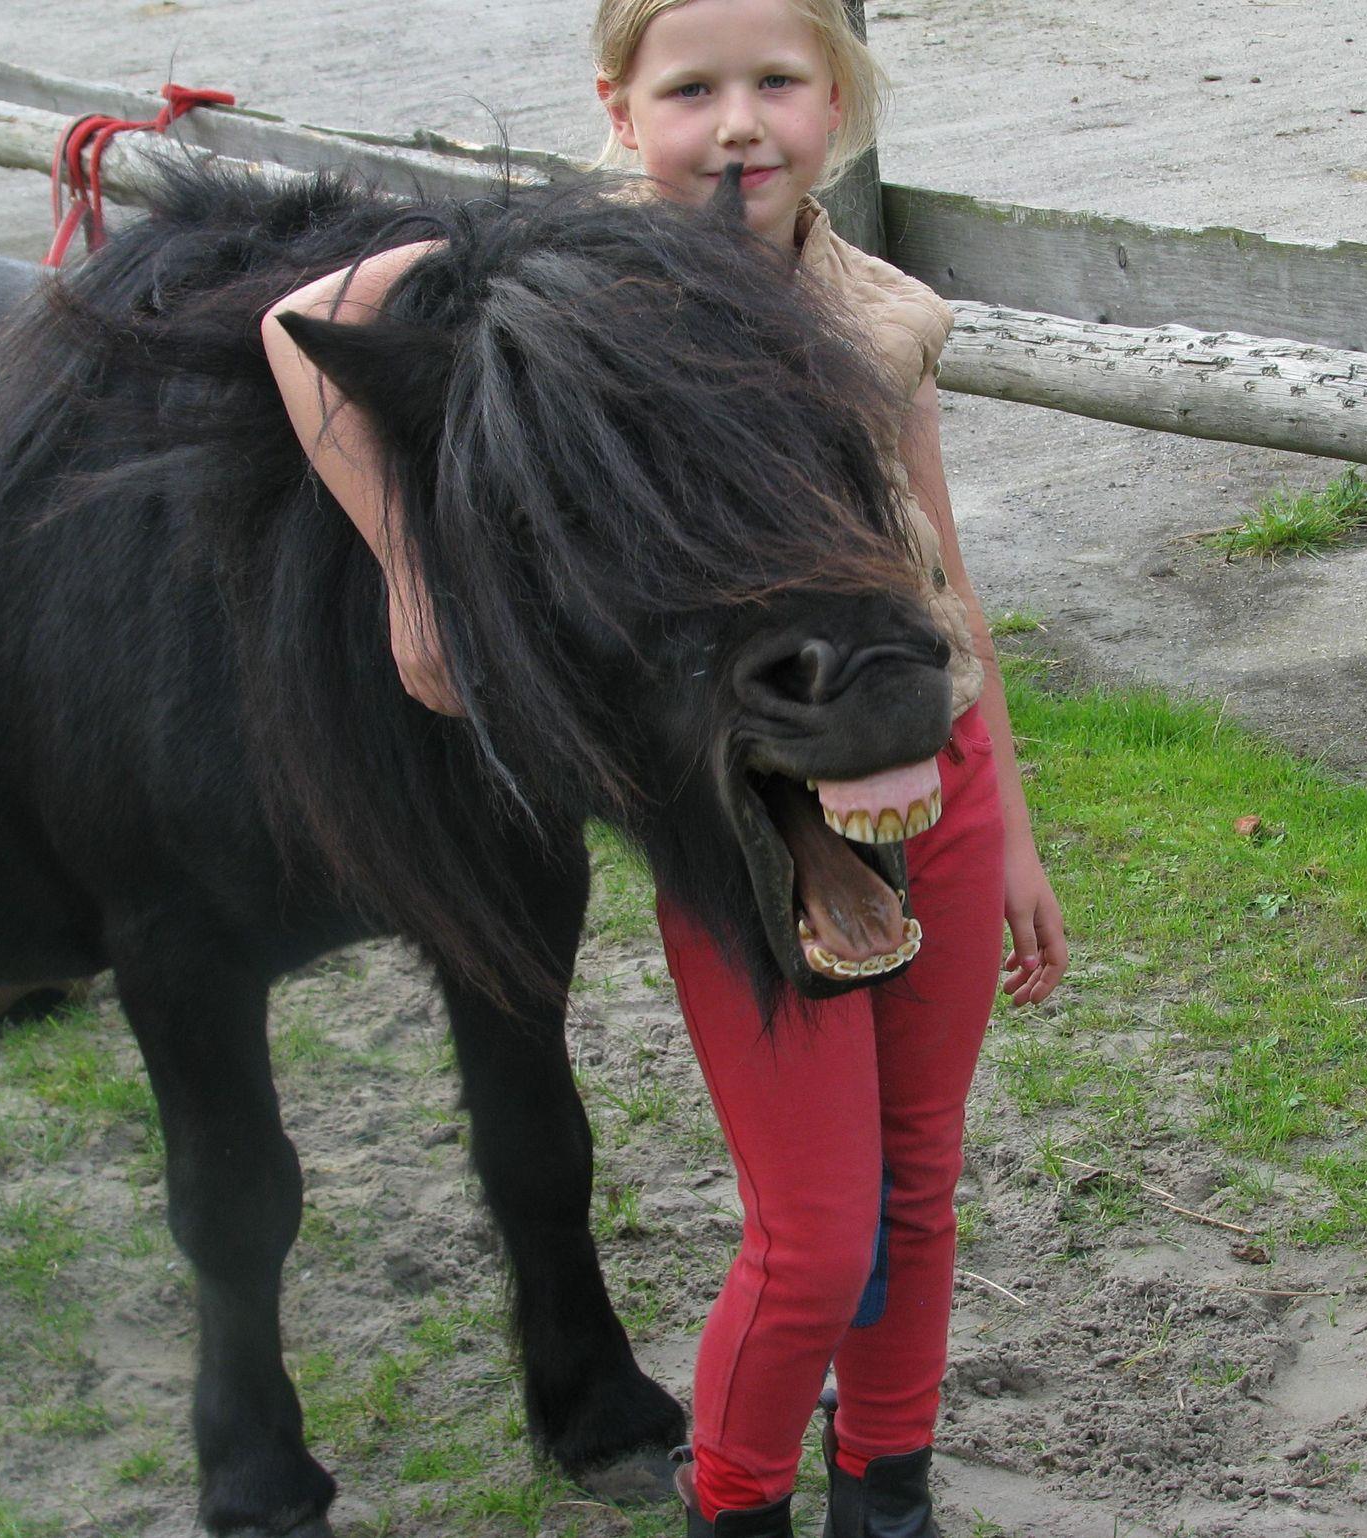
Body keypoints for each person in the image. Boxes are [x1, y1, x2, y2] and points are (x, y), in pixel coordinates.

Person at [267, 3, 1067, 1532]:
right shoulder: (586, 284)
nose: (741, 122)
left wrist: (1011, 824)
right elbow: (302, 330)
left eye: (780, 81)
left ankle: (887, 1492)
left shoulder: (886, 317)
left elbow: (944, 590)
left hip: (932, 771)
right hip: (749, 810)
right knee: (816, 1234)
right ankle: (738, 1500)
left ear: (840, 101)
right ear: (620, 109)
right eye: (692, 88)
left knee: (917, 1180)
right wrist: (411, 576)